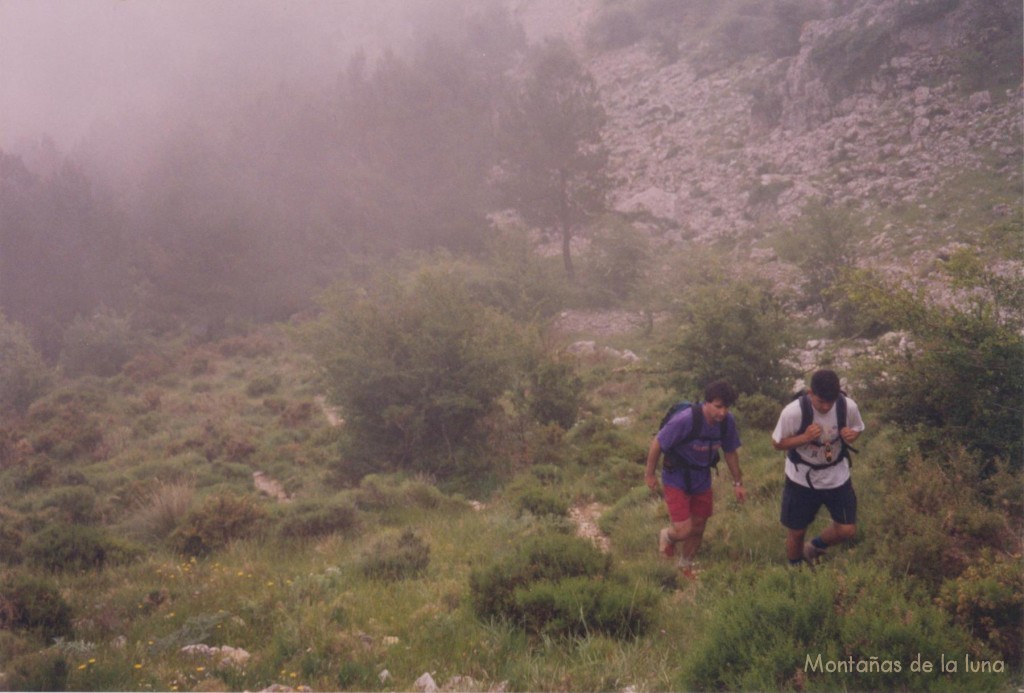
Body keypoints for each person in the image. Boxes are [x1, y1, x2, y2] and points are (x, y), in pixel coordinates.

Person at [645, 380, 746, 576]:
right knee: (683, 530)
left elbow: (731, 452)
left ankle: (685, 566)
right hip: (676, 475)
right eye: (718, 407)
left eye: (726, 407)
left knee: (699, 526)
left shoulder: (727, 422)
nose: (722, 412)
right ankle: (667, 536)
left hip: (701, 475)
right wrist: (649, 474)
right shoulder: (686, 419)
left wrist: (738, 483)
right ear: (706, 403)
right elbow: (658, 443)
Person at [771, 369, 864, 567]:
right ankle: (795, 571)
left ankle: (813, 547)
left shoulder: (847, 406)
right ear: (810, 393)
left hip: (837, 475)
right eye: (821, 401)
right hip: (800, 478)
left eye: (830, 401)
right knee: (796, 531)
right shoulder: (793, 412)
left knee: (847, 529)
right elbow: (777, 443)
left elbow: (858, 428)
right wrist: (804, 438)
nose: (826, 406)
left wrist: (852, 435)